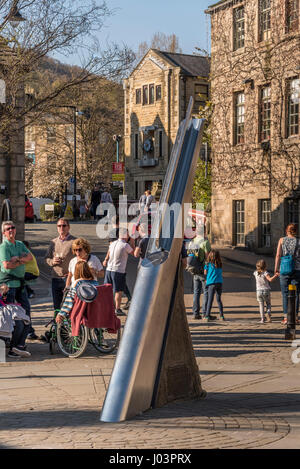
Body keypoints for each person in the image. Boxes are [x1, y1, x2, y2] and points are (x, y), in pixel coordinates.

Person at [0, 221, 33, 357]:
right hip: (9, 287)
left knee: (26, 313)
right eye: (8, 229)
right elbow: (7, 265)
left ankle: (20, 344)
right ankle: (12, 346)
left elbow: (30, 257)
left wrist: (17, 259)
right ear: (4, 233)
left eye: (13, 227)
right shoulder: (4, 247)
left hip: (20, 285)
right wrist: (21, 260)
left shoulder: (19, 244)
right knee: (12, 318)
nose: (11, 230)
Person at [45, 218, 76, 310]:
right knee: (57, 306)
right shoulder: (53, 242)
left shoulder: (74, 241)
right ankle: (58, 324)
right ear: (57, 228)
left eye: (64, 225)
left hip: (69, 278)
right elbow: (46, 258)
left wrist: (73, 273)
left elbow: (81, 259)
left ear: (68, 227)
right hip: (55, 278)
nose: (61, 228)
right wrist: (52, 262)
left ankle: (69, 324)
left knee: (69, 306)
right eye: (59, 226)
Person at [103, 228, 134, 316]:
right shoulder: (125, 245)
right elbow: (135, 254)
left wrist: (106, 260)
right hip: (118, 271)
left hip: (109, 269)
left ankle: (107, 307)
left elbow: (109, 251)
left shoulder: (113, 243)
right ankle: (117, 308)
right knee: (118, 291)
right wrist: (132, 242)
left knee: (107, 289)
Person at [275, 223, 300, 325]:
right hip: (297, 269)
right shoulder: (299, 241)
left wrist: (276, 268)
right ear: (296, 231)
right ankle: (295, 317)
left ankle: (286, 317)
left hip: (284, 269)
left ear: (287, 230)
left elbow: (278, 255)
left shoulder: (282, 240)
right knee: (296, 293)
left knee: (285, 293)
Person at [187, 226, 211, 320]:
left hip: (193, 270)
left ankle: (195, 313)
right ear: (205, 231)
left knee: (196, 292)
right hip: (202, 270)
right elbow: (208, 258)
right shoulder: (205, 242)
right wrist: (207, 269)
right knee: (206, 291)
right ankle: (205, 313)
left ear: (196, 232)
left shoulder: (192, 242)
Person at [254, 259, 278, 323]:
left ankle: (262, 319)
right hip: (266, 290)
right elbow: (270, 280)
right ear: (265, 267)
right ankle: (268, 314)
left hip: (258, 291)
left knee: (261, 305)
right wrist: (275, 275)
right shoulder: (265, 273)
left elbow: (258, 274)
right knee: (268, 304)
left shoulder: (255, 273)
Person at [204, 249, 224, 322]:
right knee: (219, 300)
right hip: (219, 283)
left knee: (210, 300)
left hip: (211, 283)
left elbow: (205, 273)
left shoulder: (208, 264)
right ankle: (222, 316)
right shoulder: (220, 263)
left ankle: (207, 316)